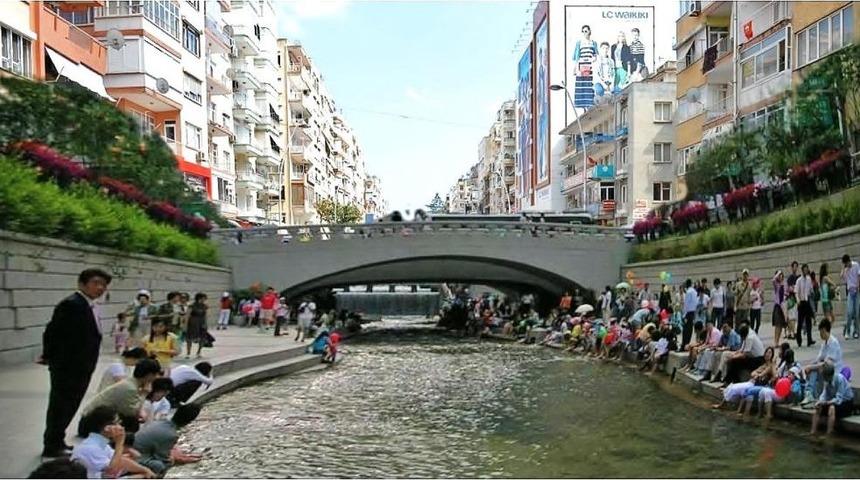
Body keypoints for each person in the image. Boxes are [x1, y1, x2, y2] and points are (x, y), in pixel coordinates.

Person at [40, 268, 112, 458]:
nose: (100, 287)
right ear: (81, 283)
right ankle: (52, 446)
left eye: (104, 285)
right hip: (69, 367)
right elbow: (53, 332)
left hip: (80, 367)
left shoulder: (88, 305)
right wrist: (50, 356)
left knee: (69, 405)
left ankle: (58, 440)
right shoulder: (72, 304)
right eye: (96, 283)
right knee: (61, 405)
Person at [79, 358, 161, 436]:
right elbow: (132, 413)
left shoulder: (129, 383)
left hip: (91, 421)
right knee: (131, 423)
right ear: (149, 375)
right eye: (155, 374)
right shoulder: (129, 388)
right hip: (89, 425)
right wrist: (144, 394)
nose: (156, 378)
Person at [72, 406, 155, 479]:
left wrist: (146, 470)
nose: (121, 427)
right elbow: (112, 472)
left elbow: (121, 461)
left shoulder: (101, 443)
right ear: (107, 428)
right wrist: (119, 443)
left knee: (145, 474)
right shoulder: (90, 448)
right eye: (117, 423)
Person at [134, 404, 203, 476]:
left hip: (135, 450)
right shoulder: (171, 435)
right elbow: (163, 457)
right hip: (138, 457)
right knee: (163, 465)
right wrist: (179, 459)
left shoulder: (161, 422)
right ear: (189, 421)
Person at [801, 319, 843, 408]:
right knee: (812, 368)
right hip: (824, 368)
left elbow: (826, 363)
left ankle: (809, 393)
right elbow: (819, 358)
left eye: (821, 332)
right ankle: (809, 393)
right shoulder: (824, 342)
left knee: (814, 370)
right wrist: (810, 365)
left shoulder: (833, 343)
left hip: (832, 370)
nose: (820, 334)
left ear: (824, 330)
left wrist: (812, 367)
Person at [810, 363, 854, 437]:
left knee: (832, 408)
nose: (823, 378)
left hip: (845, 403)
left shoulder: (840, 379)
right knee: (818, 408)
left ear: (829, 376)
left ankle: (829, 433)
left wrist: (827, 402)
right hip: (831, 401)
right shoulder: (827, 381)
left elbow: (838, 399)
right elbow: (824, 394)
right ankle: (813, 431)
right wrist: (820, 402)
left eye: (824, 376)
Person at [795, 264, 816, 348]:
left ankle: (809, 339)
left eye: (807, 270)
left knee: (808, 322)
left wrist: (812, 292)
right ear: (802, 270)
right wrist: (798, 300)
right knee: (800, 322)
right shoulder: (799, 280)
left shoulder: (809, 279)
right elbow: (796, 291)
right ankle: (799, 340)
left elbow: (811, 289)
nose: (806, 271)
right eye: (804, 270)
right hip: (801, 302)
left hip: (807, 302)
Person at [185, 293, 209, 359]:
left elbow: (205, 315)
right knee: (189, 338)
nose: (204, 300)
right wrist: (185, 325)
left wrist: (206, 323)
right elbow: (187, 315)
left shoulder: (205, 306)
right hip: (193, 323)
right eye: (204, 298)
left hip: (201, 323)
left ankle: (199, 352)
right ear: (199, 298)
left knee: (202, 338)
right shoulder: (192, 306)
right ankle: (188, 353)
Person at [841, 254, 860, 339]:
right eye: (845, 264)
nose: (847, 265)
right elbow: (841, 277)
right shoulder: (846, 270)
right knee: (849, 312)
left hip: (857, 291)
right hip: (850, 292)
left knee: (856, 313)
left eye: (847, 263)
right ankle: (847, 331)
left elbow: (859, 275)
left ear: (849, 261)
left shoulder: (856, 265)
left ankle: (856, 331)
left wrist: (858, 286)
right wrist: (843, 268)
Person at [772, 270, 788, 347]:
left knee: (781, 325)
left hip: (783, 306)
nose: (780, 276)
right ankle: (775, 341)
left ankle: (778, 341)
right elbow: (773, 280)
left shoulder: (785, 283)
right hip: (778, 306)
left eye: (781, 275)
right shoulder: (776, 284)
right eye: (779, 275)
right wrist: (778, 273)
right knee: (777, 325)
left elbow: (786, 292)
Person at [682, 279, 698, 350]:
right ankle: (687, 344)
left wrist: (684, 315)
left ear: (686, 284)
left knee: (685, 330)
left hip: (688, 313)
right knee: (690, 329)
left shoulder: (688, 292)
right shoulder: (694, 291)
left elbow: (686, 304)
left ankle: (684, 345)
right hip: (693, 312)